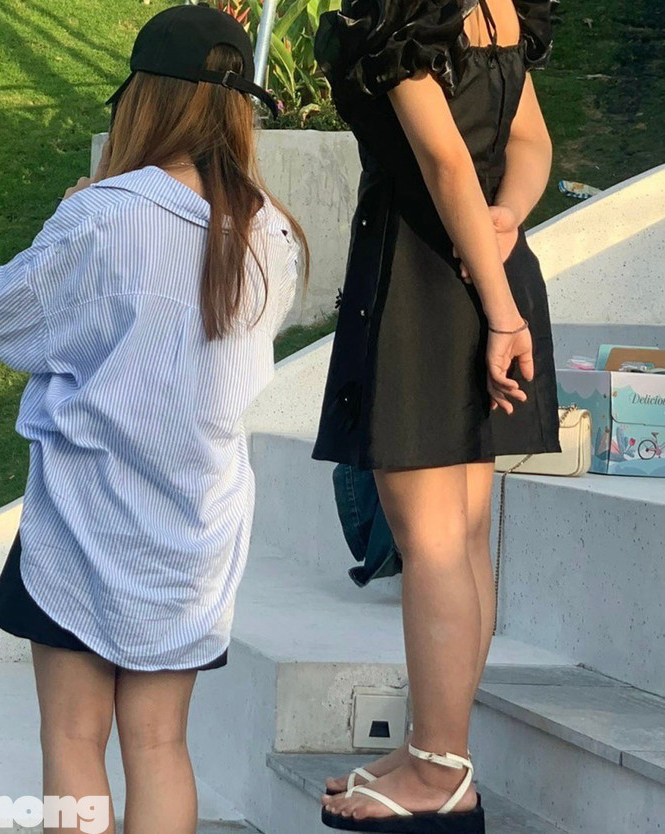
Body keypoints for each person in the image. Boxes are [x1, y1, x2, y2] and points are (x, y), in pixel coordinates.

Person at [0, 6, 305, 832]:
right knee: (160, 745)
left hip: (85, 518)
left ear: (144, 99)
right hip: (195, 526)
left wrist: (65, 215)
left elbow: (2, 319)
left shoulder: (103, 214)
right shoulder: (273, 233)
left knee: (73, 735)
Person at [311, 1, 557, 831]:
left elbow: (447, 163)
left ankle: (440, 769)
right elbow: (530, 144)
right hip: (489, 265)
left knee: (433, 542)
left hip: (425, 281)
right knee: (464, 536)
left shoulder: (405, 11)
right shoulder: (502, 8)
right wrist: (506, 219)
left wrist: (501, 314)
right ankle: (434, 751)